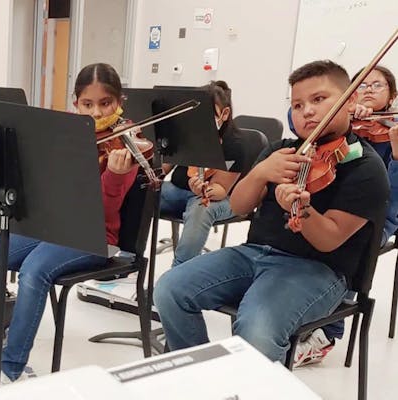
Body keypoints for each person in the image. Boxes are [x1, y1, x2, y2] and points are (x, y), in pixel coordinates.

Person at [153, 60, 388, 363]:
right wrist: (261, 171)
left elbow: (328, 239)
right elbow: (238, 206)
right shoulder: (282, 150)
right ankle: (205, 376)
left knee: (255, 330)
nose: (308, 111)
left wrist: (302, 209)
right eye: (298, 104)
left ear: (350, 100)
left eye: (319, 99)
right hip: (253, 253)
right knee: (170, 290)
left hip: (317, 270)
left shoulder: (365, 167)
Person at [0, 63, 139, 383]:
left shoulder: (125, 143)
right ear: (76, 103)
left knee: (35, 270)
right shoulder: (66, 134)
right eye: (87, 104)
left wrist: (114, 177)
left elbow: (102, 210)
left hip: (96, 235)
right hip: (54, 227)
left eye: (106, 103)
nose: (97, 111)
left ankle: (11, 364)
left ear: (119, 103)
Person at [295, 65, 398, 367]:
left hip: (376, 217)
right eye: (361, 86)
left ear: (392, 95)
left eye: (376, 86)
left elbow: (389, 200)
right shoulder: (343, 123)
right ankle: (299, 310)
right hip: (330, 205)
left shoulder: (392, 134)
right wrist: (344, 119)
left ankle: (327, 332)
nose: (368, 90)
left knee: (346, 244)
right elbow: (296, 123)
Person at [159, 80, 248, 267]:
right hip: (178, 190)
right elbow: (162, 170)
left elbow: (221, 190)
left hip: (220, 198)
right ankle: (128, 258)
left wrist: (203, 189)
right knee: (141, 192)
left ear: (224, 114)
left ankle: (180, 271)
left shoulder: (234, 144)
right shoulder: (185, 134)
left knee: (201, 208)